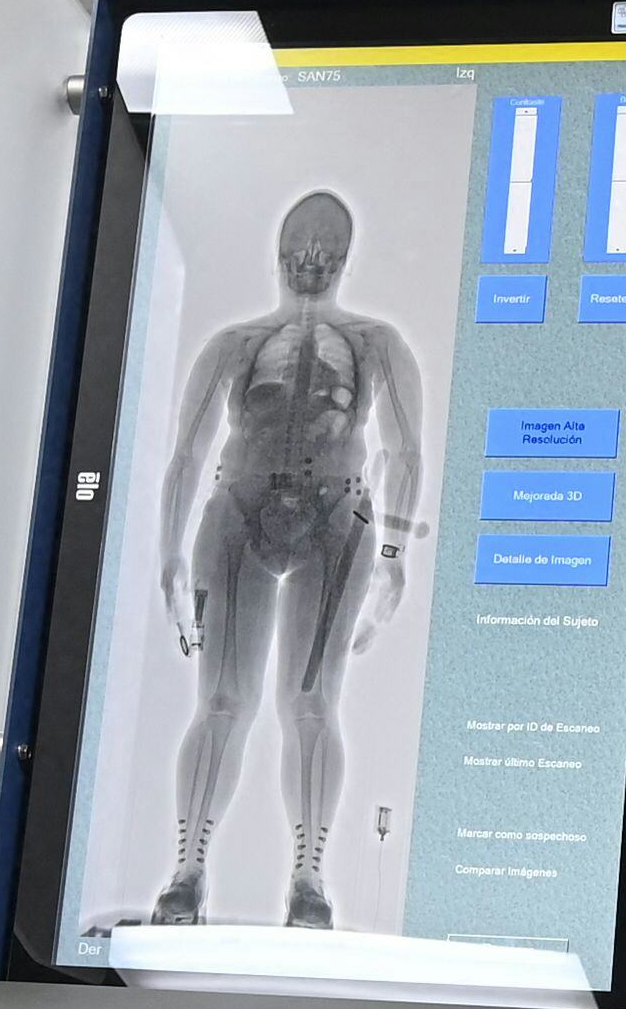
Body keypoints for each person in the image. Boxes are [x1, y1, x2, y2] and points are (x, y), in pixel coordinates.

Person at [150, 189, 428, 928]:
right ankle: (189, 867)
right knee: (221, 703)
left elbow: (405, 448)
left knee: (309, 704)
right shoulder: (234, 344)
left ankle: (309, 876)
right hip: (237, 513)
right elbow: (187, 453)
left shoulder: (376, 342)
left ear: (342, 259)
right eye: (299, 251)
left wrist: (394, 550)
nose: (310, 264)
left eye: (323, 253)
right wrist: (169, 552)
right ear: (279, 255)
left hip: (336, 519)